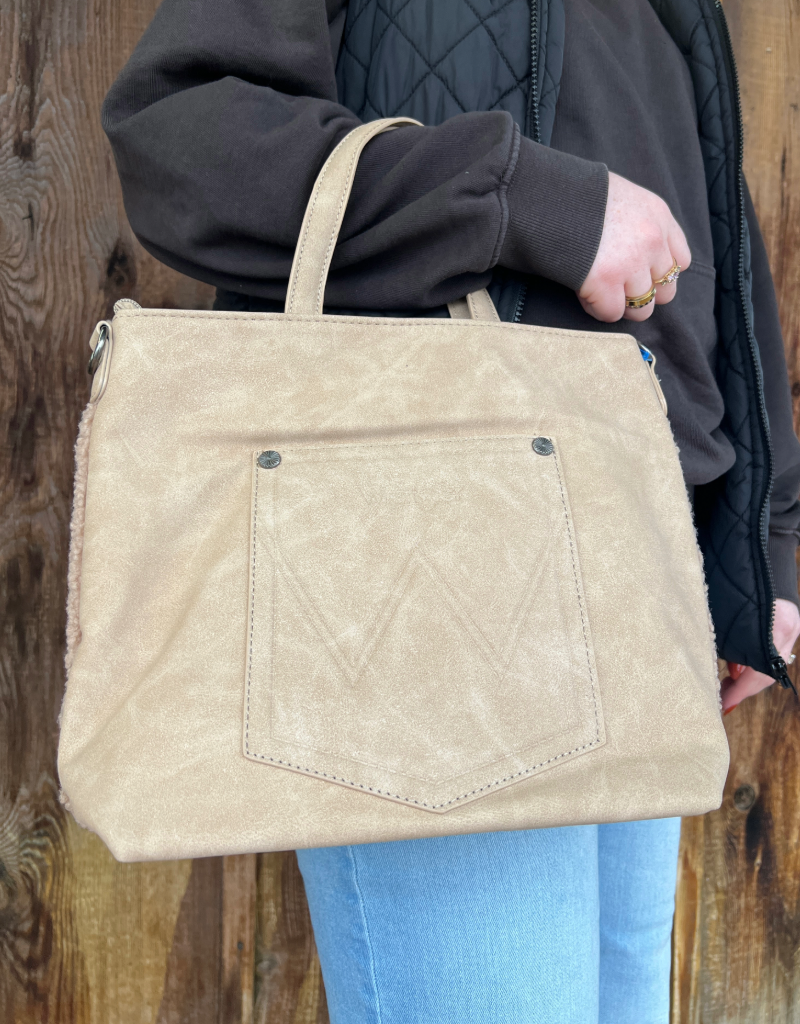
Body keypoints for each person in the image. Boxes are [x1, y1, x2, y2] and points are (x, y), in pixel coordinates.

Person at [102, 1, 800, 1020]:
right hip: (438, 568)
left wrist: (756, 545)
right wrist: (530, 201)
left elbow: (714, 246)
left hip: (642, 573)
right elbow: (177, 136)